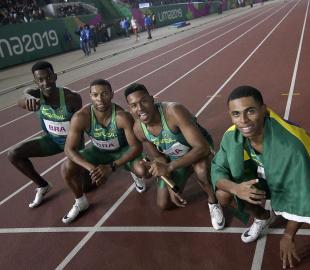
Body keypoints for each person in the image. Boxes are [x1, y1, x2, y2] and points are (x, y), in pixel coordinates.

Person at [211, 86, 310, 268]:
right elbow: (217, 170)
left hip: (297, 187)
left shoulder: (291, 144)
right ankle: (263, 217)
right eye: (236, 114)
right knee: (223, 194)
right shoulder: (232, 136)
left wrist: (288, 235)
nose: (243, 121)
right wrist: (236, 188)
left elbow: (303, 191)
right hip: (268, 183)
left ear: (264, 110)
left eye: (250, 111)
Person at [124, 83, 225, 230]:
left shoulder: (174, 112)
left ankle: (213, 202)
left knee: (202, 172)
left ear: (152, 99)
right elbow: (159, 158)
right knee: (164, 204)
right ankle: (189, 168)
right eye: (134, 105)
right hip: (174, 158)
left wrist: (170, 167)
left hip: (197, 149)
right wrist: (169, 181)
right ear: (130, 109)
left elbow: (201, 148)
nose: (140, 108)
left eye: (143, 101)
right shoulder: (139, 130)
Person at [61, 79, 145, 223]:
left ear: (112, 94)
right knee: (66, 167)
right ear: (90, 96)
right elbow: (69, 149)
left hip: (122, 151)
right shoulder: (81, 117)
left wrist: (112, 167)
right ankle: (81, 202)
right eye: (95, 95)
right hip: (98, 151)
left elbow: (136, 147)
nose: (99, 99)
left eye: (104, 93)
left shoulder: (121, 117)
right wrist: (92, 168)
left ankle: (133, 172)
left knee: (143, 170)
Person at [8, 61, 82, 208]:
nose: (45, 82)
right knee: (13, 153)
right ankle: (43, 185)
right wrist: (26, 95)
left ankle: (93, 162)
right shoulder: (34, 100)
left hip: (73, 144)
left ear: (54, 76)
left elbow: (83, 124)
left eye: (48, 77)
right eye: (40, 80)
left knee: (86, 187)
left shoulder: (71, 98)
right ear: (36, 82)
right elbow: (19, 102)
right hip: (52, 141)